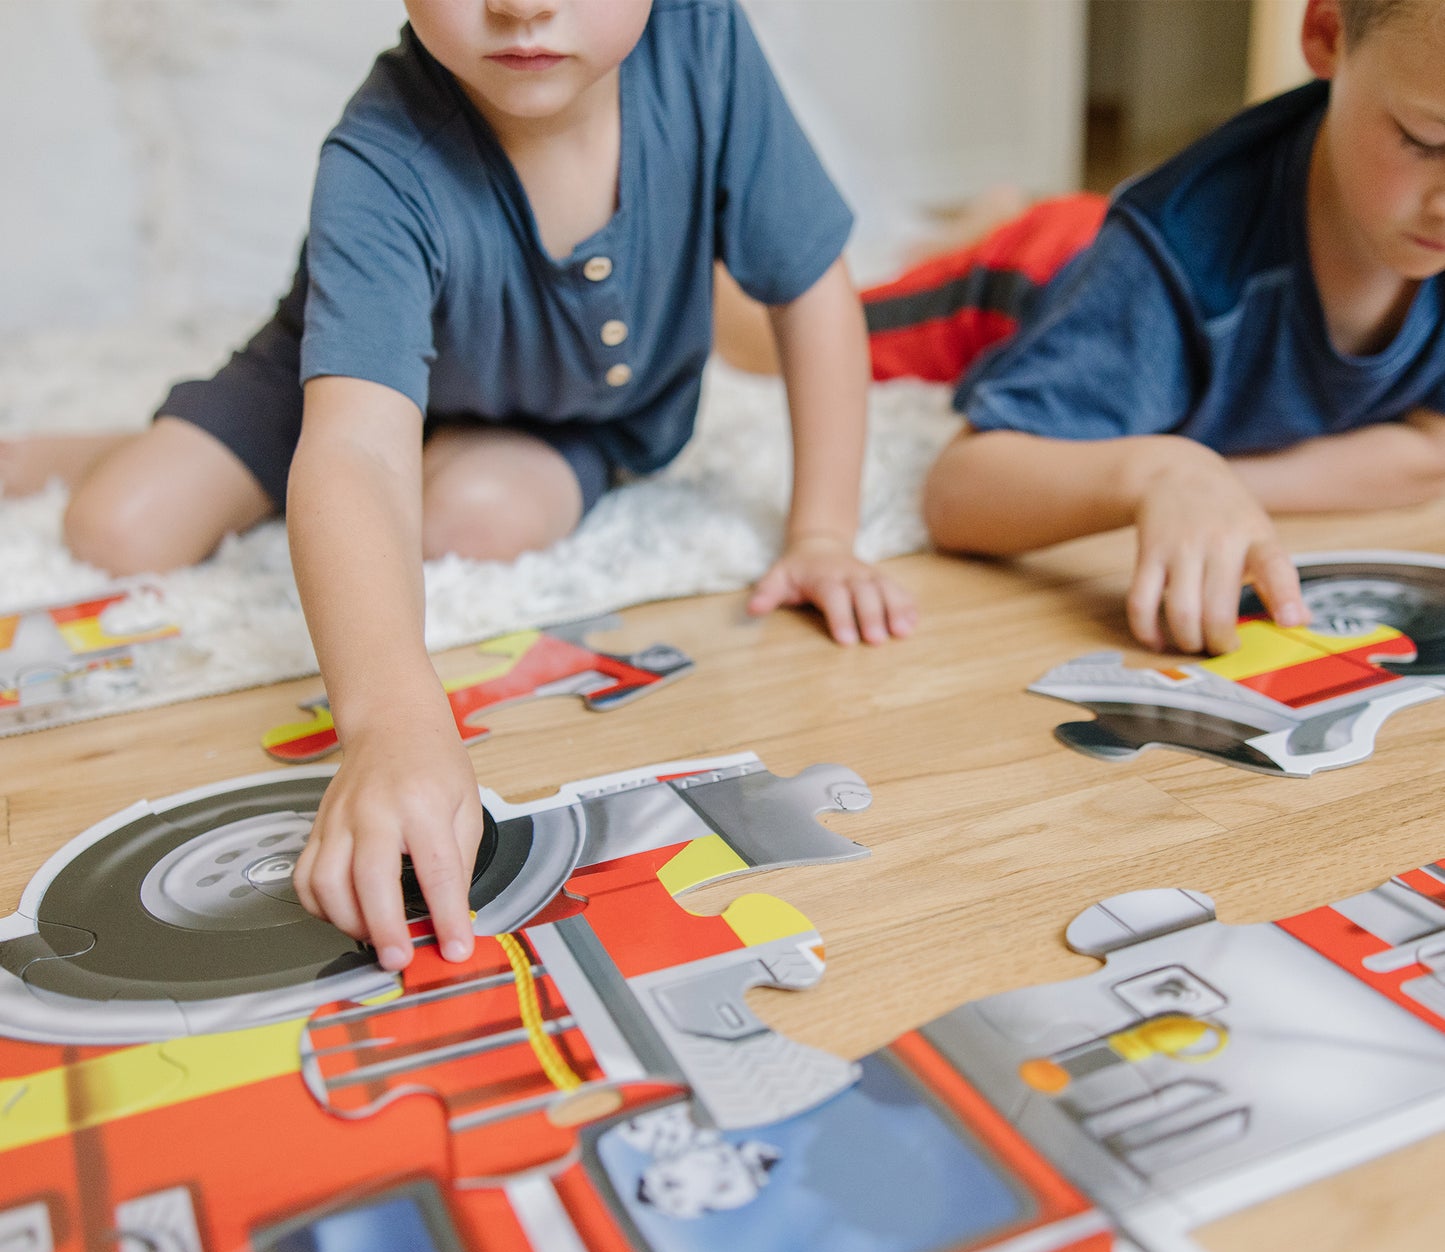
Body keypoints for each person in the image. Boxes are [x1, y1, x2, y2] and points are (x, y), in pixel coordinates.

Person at [1, 0, 916, 972]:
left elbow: (810, 286)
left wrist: (821, 530)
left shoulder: (703, 44)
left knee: (467, 515)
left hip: (575, 412)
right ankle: (125, 439)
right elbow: (353, 451)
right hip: (341, 373)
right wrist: (391, 720)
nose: (521, 4)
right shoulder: (378, 153)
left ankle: (380, 438)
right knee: (118, 526)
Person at [878, 0, 1445, 660]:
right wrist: (1157, 471)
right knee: (785, 325)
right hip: (1031, 275)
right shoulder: (1167, 256)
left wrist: (1216, 485)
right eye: (1426, 140)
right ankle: (980, 229)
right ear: (1324, 34)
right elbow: (957, 490)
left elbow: (1431, 452)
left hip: (1115, 243)